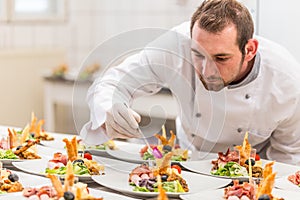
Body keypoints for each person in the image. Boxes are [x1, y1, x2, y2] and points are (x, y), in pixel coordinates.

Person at [80, 0, 300, 165]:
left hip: (250, 173)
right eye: (199, 54)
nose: (206, 71)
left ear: (249, 50)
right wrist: (110, 106)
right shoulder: (174, 46)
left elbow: (287, 158)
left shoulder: (287, 82)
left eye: (221, 58)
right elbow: (112, 82)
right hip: (188, 161)